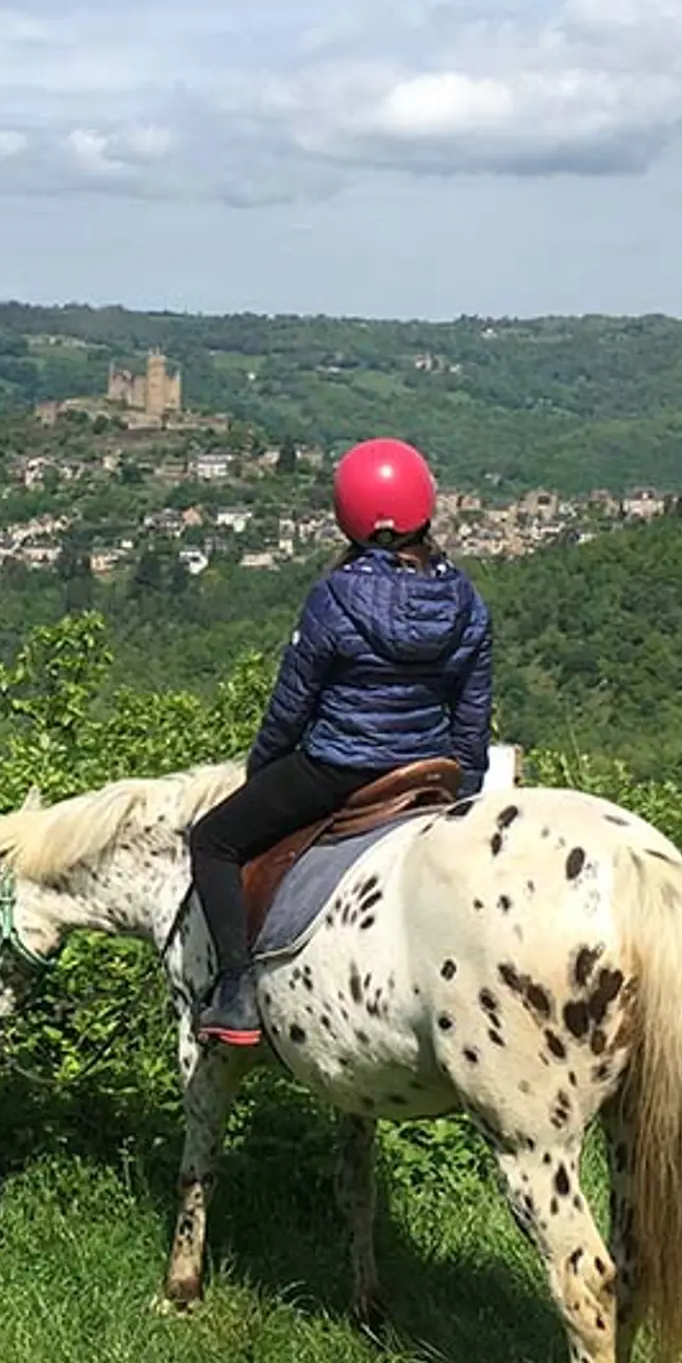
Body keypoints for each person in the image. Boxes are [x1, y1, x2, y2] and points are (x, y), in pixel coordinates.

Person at [187, 437, 492, 1047]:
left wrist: (262, 771)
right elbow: (472, 716)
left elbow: (291, 706)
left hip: (339, 768)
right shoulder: (466, 601)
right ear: (425, 511)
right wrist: (468, 793)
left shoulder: (334, 597)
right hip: (428, 771)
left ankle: (236, 992)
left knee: (213, 839)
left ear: (347, 515)